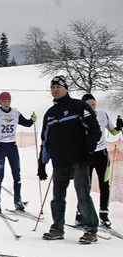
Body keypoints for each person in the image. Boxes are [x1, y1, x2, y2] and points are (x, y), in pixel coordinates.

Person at [37, 76, 101, 244]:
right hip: (59, 162)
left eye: (58, 86)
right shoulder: (50, 114)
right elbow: (45, 140)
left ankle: (90, 229)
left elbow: (94, 129)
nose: (55, 89)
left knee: (82, 194)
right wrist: (42, 163)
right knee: (57, 196)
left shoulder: (79, 107)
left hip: (79, 159)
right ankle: (57, 228)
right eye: (53, 87)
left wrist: (89, 149)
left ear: (66, 88)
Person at [0, 92, 36, 212]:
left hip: (12, 147)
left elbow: (26, 123)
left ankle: (18, 200)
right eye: (4, 101)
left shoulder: (15, 112)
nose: (6, 103)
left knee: (17, 175)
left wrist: (32, 120)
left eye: (8, 101)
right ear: (0, 102)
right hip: (0, 147)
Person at [75, 94, 122, 227]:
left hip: (102, 154)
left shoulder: (103, 115)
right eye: (89, 104)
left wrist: (119, 127)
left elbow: (113, 132)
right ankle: (80, 215)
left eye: (94, 104)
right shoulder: (80, 118)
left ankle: (104, 214)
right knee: (85, 186)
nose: (92, 107)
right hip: (87, 155)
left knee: (104, 185)